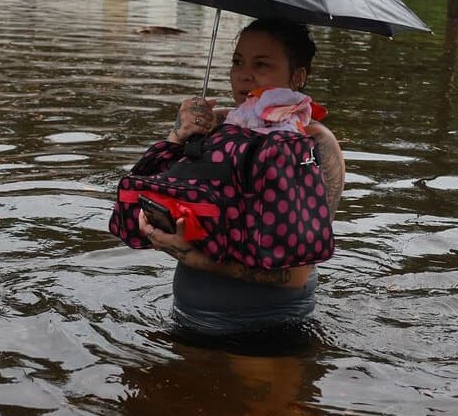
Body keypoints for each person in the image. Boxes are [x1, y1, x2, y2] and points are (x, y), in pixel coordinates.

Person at [135, 18, 346, 335]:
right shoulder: (214, 126)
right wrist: (178, 135)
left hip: (270, 329)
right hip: (188, 316)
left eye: (261, 64)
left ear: (297, 76)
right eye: (237, 62)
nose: (244, 75)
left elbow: (296, 274)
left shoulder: (313, 144)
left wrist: (192, 257)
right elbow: (147, 191)